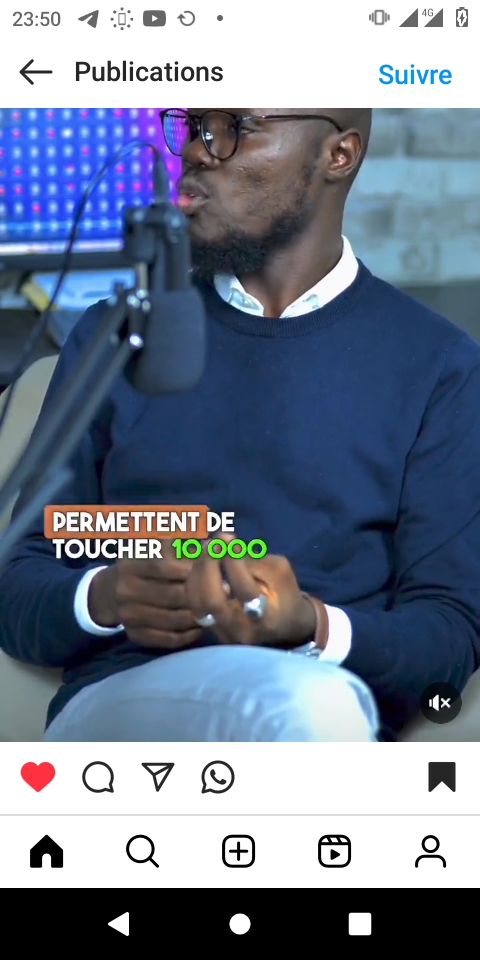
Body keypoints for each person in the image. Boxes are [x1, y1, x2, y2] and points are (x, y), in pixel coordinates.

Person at [1, 107, 480, 743]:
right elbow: (19, 585)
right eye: (194, 126)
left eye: (235, 127)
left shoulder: (439, 365)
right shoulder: (115, 336)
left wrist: (310, 624)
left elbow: (446, 635)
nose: (197, 150)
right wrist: (106, 597)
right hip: (127, 698)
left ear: (337, 156)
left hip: (327, 711)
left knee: (312, 706)